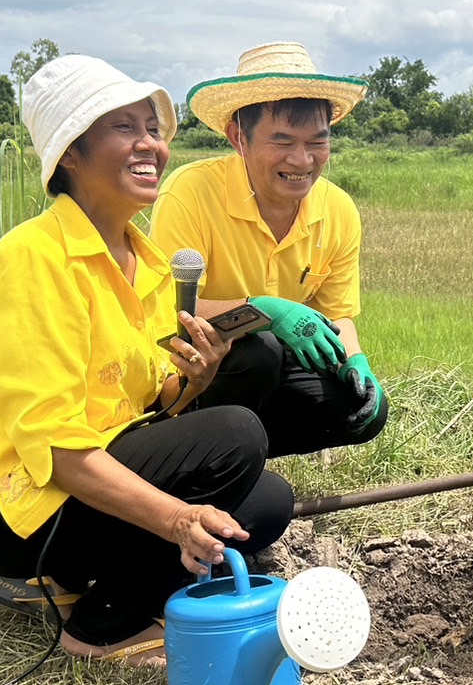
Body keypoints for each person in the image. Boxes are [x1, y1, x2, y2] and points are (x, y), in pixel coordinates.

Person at [0, 55, 294, 665]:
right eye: (123, 128)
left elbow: (146, 404)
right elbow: (56, 450)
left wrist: (196, 380)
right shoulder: (34, 258)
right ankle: (99, 627)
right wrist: (177, 519)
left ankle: (72, 583)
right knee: (235, 436)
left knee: (265, 503)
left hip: (94, 473)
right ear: (70, 155)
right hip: (25, 502)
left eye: (153, 129)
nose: (149, 145)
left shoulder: (149, 260)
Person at [148, 42, 389, 456]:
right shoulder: (190, 192)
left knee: (360, 406)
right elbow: (163, 310)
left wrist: (356, 360)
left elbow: (337, 313)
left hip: (271, 369)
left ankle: (240, 456)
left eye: (317, 141)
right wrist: (262, 311)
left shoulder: (338, 209)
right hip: (195, 368)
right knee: (258, 351)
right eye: (282, 141)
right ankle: (188, 451)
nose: (302, 160)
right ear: (238, 137)